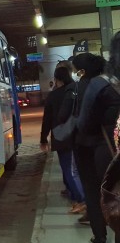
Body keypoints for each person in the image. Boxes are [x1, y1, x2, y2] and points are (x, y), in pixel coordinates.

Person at [75, 50, 120, 243]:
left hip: (98, 146)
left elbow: (84, 122)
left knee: (96, 191)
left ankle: (100, 235)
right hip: (111, 143)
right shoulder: (110, 84)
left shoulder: (92, 86)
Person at [40, 66, 86, 213]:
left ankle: (81, 199)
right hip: (77, 135)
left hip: (61, 137)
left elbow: (47, 119)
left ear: (57, 79)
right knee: (74, 167)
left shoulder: (53, 96)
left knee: (68, 168)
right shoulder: (76, 90)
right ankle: (72, 192)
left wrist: (43, 138)